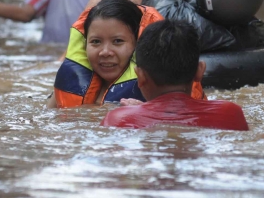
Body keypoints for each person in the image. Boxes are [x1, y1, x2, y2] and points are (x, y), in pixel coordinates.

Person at [49, 0, 205, 108]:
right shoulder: (68, 86)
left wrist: (147, 111)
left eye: (117, 41)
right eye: (96, 42)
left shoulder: (159, 86)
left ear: (138, 44)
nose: (105, 52)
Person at [100, 19, 249, 131]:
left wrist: (140, 110)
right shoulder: (230, 114)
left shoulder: (117, 120)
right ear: (200, 71)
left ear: (140, 76)